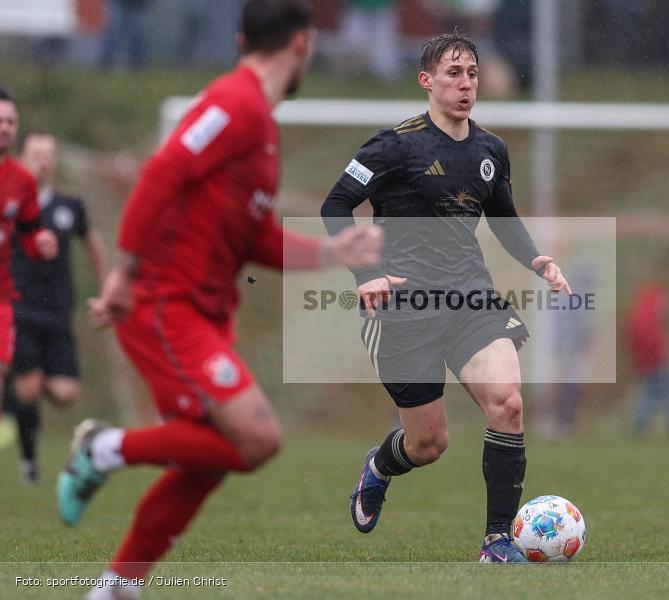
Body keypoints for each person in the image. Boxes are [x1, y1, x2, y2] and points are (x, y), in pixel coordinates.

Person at [55, 3, 382, 598]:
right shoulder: (235, 104)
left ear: (240, 38)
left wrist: (336, 254)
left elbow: (254, 237)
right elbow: (160, 172)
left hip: (202, 313)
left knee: (208, 459)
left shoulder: (261, 126)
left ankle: (115, 588)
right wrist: (125, 272)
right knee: (257, 439)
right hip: (164, 305)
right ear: (303, 43)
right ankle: (105, 447)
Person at [321, 30, 571, 563]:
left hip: (470, 298)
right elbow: (335, 206)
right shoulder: (393, 146)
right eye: (453, 74)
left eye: (473, 74)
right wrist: (364, 275)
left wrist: (538, 260)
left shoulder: (490, 150)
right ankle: (381, 466)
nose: (465, 84)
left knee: (508, 401)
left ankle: (497, 542)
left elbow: (503, 218)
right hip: (403, 307)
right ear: (427, 81)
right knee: (429, 445)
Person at [6, 133, 108, 485]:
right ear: (23, 158)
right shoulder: (11, 201)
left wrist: (107, 288)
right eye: (37, 155)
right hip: (19, 306)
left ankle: (12, 390)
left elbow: (93, 243)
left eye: (49, 155)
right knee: (31, 388)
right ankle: (30, 462)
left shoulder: (70, 205)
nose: (44, 161)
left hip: (58, 310)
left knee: (66, 393)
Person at [0, 89, 59, 455]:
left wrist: (41, 243)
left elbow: (29, 232)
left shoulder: (22, 180)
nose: (5, 128)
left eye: (10, 121)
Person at [627, 282, 669, 437]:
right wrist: (663, 354)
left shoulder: (641, 315)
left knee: (651, 393)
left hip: (648, 362)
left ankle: (641, 421)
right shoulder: (650, 320)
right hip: (657, 362)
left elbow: (634, 340)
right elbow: (653, 342)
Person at [99, 0, 153, 71]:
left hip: (138, 3)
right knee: (114, 28)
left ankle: (137, 64)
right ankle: (107, 62)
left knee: (138, 31)